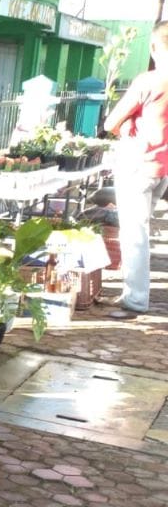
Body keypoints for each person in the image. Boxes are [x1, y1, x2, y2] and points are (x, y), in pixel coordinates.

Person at [104, 20, 168, 320]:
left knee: (134, 234)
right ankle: (134, 293)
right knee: (141, 230)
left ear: (154, 46)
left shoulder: (149, 81)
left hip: (138, 164)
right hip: (161, 169)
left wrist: (127, 123)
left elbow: (110, 123)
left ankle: (135, 299)